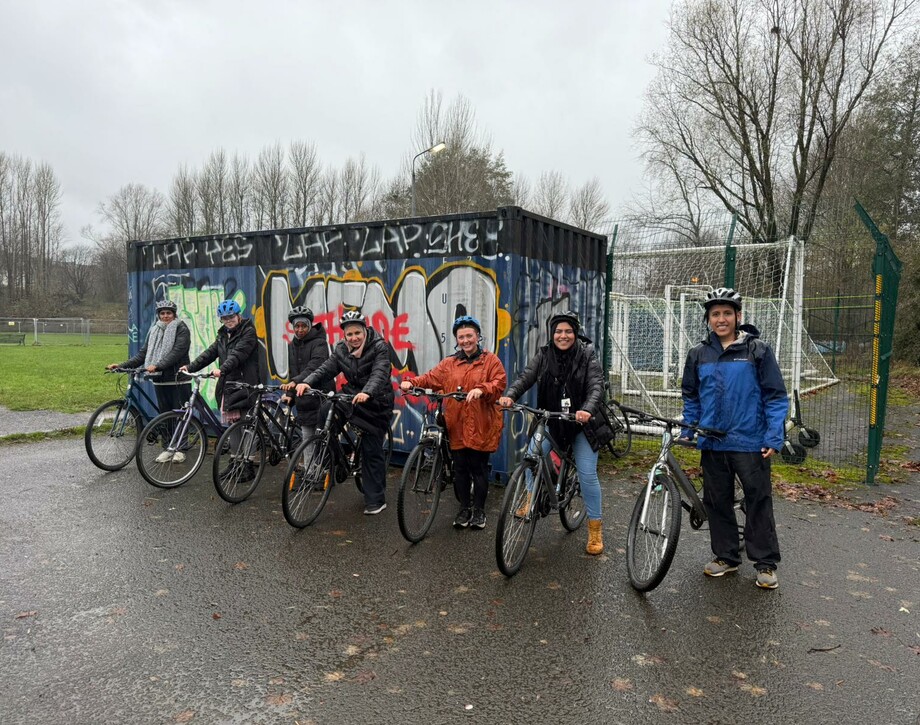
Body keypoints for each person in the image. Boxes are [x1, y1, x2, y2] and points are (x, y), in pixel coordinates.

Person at [680, 287, 787, 590]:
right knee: (716, 501)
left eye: (727, 313)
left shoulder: (757, 351)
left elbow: (775, 397)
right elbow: (691, 396)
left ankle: (765, 563)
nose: (722, 319)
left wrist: (773, 435)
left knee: (758, 500)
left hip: (750, 441)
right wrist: (690, 427)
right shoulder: (698, 354)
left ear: (738, 316)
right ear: (708, 319)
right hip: (712, 442)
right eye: (716, 314)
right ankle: (726, 556)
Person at [498, 310, 613, 555]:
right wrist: (510, 395)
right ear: (552, 333)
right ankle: (530, 497)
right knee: (531, 456)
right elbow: (526, 377)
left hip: (582, 423)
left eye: (568, 331)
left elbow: (595, 386)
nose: (563, 336)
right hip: (551, 419)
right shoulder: (544, 354)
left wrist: (587, 409)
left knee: (587, 474)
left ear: (575, 333)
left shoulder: (587, 354)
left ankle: (595, 530)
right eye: (558, 331)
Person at [400, 315, 507, 530]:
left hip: (480, 423)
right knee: (460, 468)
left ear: (477, 336)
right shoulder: (450, 363)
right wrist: (411, 382)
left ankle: (479, 511)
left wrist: (482, 389)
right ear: (456, 340)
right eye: (461, 337)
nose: (466, 340)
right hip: (456, 422)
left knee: (478, 468)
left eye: (469, 335)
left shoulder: (490, 360)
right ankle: (464, 508)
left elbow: (499, 382)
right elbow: (431, 377)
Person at [295, 309, 394, 515]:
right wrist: (306, 382)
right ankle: (336, 461)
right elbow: (326, 368)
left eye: (357, 333)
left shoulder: (379, 347)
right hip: (351, 395)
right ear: (344, 336)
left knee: (370, 449)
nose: (354, 338)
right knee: (325, 412)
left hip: (376, 400)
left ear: (365, 331)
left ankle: (376, 499)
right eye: (349, 334)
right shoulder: (341, 349)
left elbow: (380, 373)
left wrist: (367, 392)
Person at [108, 299, 192, 462]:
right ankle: (168, 448)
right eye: (162, 313)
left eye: (169, 313)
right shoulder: (154, 330)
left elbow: (177, 352)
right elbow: (143, 354)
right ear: (158, 315)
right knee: (165, 415)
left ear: (174, 314)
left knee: (180, 414)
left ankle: (181, 448)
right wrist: (121, 365)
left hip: (178, 379)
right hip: (160, 380)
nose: (165, 316)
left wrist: (158, 365)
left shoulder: (181, 328)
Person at [182, 299, 261, 430]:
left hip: (244, 384)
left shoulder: (248, 332)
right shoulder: (223, 335)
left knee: (245, 425)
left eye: (231, 317)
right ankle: (235, 451)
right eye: (224, 318)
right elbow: (210, 353)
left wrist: (222, 369)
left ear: (238, 315)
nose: (228, 320)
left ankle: (248, 450)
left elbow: (237, 355)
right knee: (233, 426)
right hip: (229, 385)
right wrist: (190, 367)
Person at [279, 306, 331, 431]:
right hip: (303, 401)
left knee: (323, 441)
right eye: (297, 326)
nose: (300, 329)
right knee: (307, 441)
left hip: (319, 397)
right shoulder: (293, 345)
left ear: (309, 325)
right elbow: (293, 370)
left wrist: (295, 382)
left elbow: (314, 366)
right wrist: (290, 394)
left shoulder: (319, 343)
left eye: (304, 326)